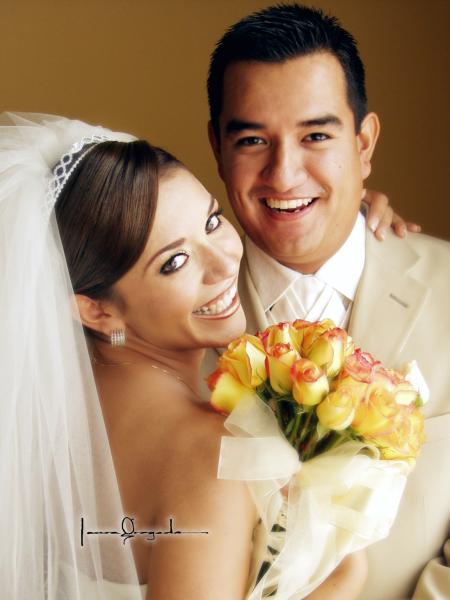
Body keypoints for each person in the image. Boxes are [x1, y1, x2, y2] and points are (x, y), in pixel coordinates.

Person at [0, 112, 372, 600]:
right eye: (175, 262)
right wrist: (345, 577)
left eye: (213, 221)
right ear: (96, 309)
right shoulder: (210, 450)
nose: (223, 262)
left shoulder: (35, 416)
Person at [205, 4, 450, 599]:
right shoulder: (170, 318)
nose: (284, 174)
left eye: (316, 135)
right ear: (217, 146)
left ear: (364, 143)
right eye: (253, 139)